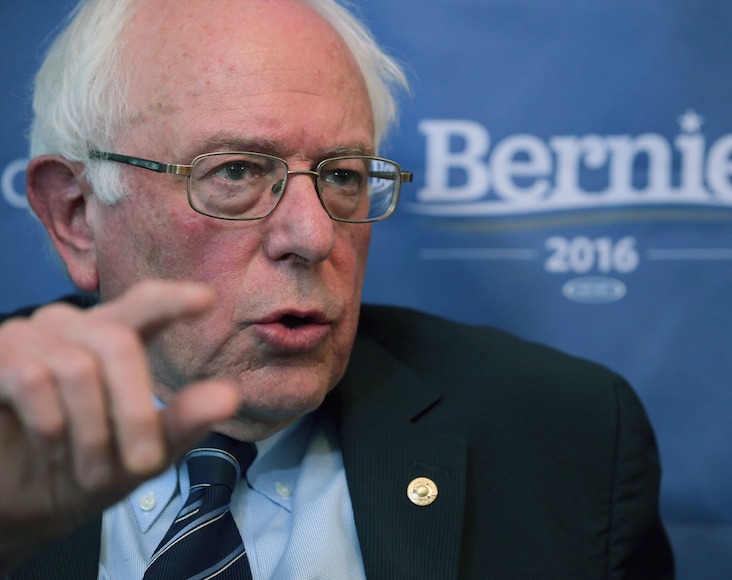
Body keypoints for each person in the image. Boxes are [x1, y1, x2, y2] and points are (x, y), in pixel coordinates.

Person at [0, 0, 675, 578]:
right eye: (235, 171)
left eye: (344, 176)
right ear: (77, 215)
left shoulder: (566, 438)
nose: (315, 235)